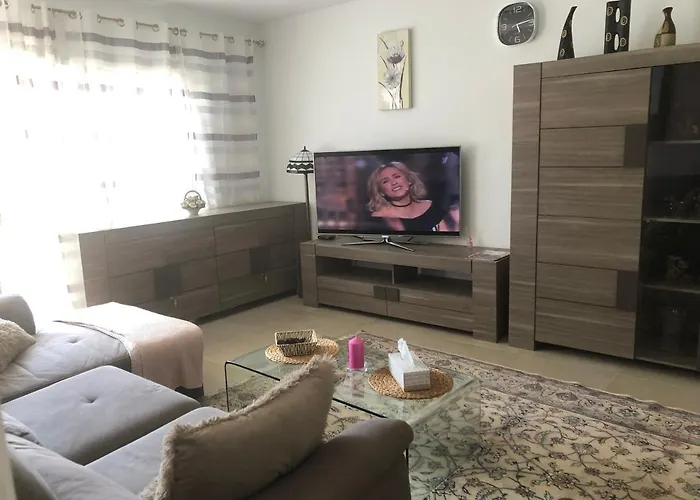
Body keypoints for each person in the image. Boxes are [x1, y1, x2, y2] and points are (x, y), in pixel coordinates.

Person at [366, 162, 459, 232]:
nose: (393, 182)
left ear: (409, 180)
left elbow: (446, 236)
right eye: (385, 181)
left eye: (397, 176)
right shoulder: (380, 217)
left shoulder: (430, 207)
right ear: (381, 192)